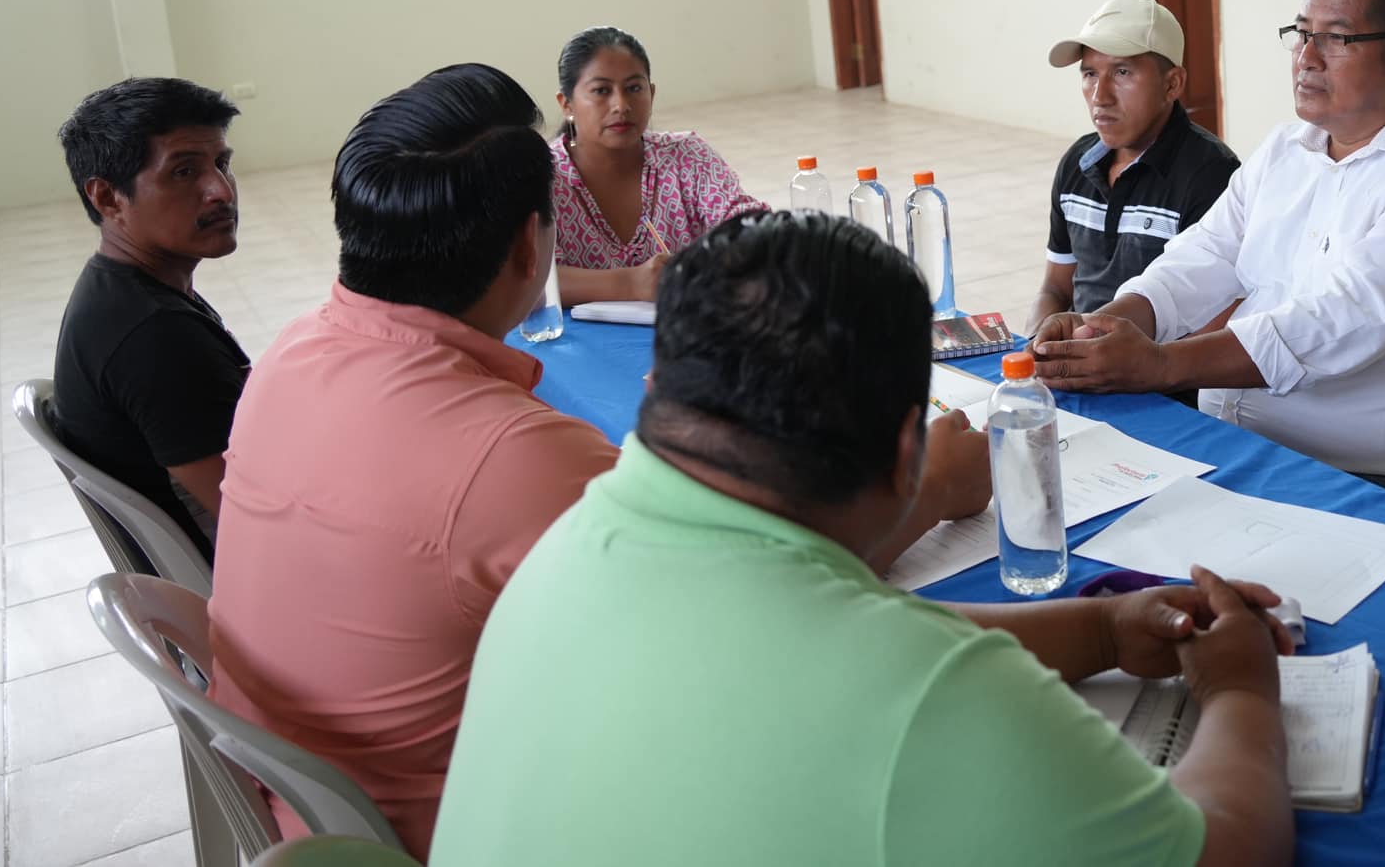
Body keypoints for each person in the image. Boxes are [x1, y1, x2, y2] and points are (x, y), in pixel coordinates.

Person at [207, 66, 989, 857]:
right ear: (531, 246)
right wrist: (930, 491)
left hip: (308, 808)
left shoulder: (290, 353)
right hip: (452, 834)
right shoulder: (513, 459)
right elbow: (764, 631)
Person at [432, 211, 1295, 867]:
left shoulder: (569, 548)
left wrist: (1103, 630)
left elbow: (828, 650)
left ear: (659, 386)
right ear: (906, 454)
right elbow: (1224, 850)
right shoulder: (938, 699)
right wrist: (1242, 691)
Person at [1033, 0, 1385, 504]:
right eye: (1302, 33)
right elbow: (1204, 255)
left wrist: (1160, 365)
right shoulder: (1288, 148)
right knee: (1051, 503)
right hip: (1226, 442)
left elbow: (1336, 323)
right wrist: (1102, 328)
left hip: (1357, 478)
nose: (1307, 58)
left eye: (1336, 39)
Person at [50, 78, 247, 556]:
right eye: (183, 172)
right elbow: (258, 519)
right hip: (238, 576)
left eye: (222, 164)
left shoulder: (124, 292)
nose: (221, 191)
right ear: (107, 198)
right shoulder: (156, 338)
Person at [1025, 0, 1239, 338]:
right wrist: (1038, 344)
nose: (1100, 96)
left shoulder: (1211, 175)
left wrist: (1132, 362)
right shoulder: (1076, 164)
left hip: (1157, 366)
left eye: (1122, 72)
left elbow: (1217, 318)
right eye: (1090, 74)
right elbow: (1055, 288)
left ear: (1172, 84)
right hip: (1080, 356)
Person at [547, 26, 766, 306]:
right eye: (601, 91)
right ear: (566, 104)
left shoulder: (686, 155)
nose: (621, 105)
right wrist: (631, 283)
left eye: (634, 88)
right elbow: (528, 280)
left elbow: (748, 225)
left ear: (651, 93)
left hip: (687, 325)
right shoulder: (544, 176)